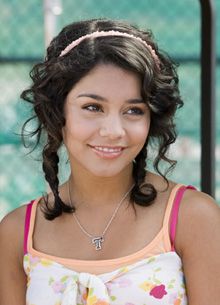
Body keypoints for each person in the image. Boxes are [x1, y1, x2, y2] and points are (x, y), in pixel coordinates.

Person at [0, 18, 220, 305]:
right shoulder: (17, 232)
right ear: (58, 111)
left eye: (133, 110)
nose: (114, 131)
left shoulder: (194, 217)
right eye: (93, 107)